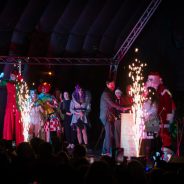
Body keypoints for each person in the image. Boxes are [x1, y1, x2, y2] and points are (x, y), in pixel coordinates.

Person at [145, 72, 175, 156]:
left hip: (157, 120)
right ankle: (154, 156)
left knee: (159, 139)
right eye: (148, 79)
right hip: (154, 120)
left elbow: (169, 105)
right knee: (154, 140)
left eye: (151, 80)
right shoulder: (152, 94)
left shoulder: (163, 91)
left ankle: (161, 156)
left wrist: (168, 119)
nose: (148, 82)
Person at [99, 79, 125, 156]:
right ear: (107, 85)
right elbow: (112, 104)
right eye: (111, 84)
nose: (113, 86)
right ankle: (107, 152)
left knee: (109, 134)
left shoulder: (110, 93)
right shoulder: (106, 93)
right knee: (109, 134)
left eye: (114, 84)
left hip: (109, 116)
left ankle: (105, 151)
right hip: (106, 116)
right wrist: (122, 108)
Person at [0, 69, 24, 146]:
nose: (12, 77)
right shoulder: (7, 82)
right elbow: (1, 83)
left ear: (16, 77)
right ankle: (8, 140)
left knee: (17, 123)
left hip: (17, 106)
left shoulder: (19, 84)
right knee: (9, 123)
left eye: (13, 76)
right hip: (9, 105)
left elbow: (22, 82)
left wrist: (19, 76)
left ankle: (18, 140)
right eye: (11, 75)